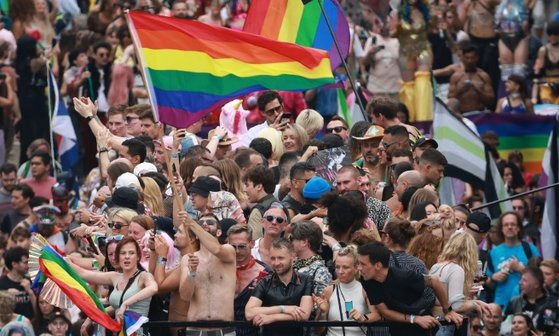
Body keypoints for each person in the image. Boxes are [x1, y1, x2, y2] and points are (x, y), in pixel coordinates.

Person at [357, 241, 463, 336]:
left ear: (378, 266)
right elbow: (385, 312)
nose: (359, 268)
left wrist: (447, 311)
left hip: (423, 318)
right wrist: (414, 319)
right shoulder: (367, 280)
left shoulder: (402, 276)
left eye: (363, 264)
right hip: (400, 323)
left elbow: (434, 280)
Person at [70, 237, 157, 335]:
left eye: (131, 253)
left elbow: (153, 288)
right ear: (118, 257)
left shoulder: (144, 276)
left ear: (138, 257)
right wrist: (62, 259)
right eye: (123, 253)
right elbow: (83, 274)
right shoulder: (115, 277)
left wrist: (126, 303)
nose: (127, 257)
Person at [179, 211, 236, 335]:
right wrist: (191, 273)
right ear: (197, 236)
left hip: (224, 328)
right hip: (195, 329)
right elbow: (185, 296)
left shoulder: (228, 250)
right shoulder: (188, 259)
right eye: (201, 223)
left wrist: (193, 224)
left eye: (210, 222)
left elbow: (216, 249)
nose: (204, 224)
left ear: (219, 232)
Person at [245, 238, 313, 336]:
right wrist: (283, 308)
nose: (276, 263)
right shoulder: (265, 282)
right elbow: (249, 313)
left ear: (292, 257)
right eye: (273, 258)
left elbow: (304, 314)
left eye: (281, 258)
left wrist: (272, 317)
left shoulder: (305, 280)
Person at [314, 246, 380, 336]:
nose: (340, 271)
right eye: (337, 267)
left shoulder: (364, 289)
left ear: (356, 268)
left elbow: (376, 315)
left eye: (345, 267)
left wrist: (363, 317)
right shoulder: (329, 290)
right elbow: (318, 330)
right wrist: (323, 312)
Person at [486, 211, 540, 310]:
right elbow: (488, 283)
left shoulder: (530, 248)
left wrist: (521, 269)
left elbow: (541, 278)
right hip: (501, 306)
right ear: (501, 229)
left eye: (513, 224)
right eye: (506, 225)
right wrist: (494, 278)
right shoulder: (494, 252)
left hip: (526, 306)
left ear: (518, 228)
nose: (509, 227)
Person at [391, 0, 434, 121]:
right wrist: (395, 26)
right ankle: (410, 120)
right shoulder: (398, 13)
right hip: (405, 52)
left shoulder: (426, 11)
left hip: (423, 49)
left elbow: (433, 29)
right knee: (408, 86)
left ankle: (424, 119)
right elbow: (391, 33)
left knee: (423, 79)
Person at [227, 225, 269, 336]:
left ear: (252, 243)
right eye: (233, 247)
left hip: (253, 330)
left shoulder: (265, 272)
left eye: (242, 246)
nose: (237, 251)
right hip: (224, 329)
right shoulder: (220, 270)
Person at [448, 43, 495, 113]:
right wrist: (460, 90)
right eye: (467, 58)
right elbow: (450, 98)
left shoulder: (484, 76)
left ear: (477, 58)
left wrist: (477, 90)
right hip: (462, 114)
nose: (469, 61)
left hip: (480, 113)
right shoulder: (456, 77)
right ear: (462, 58)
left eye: (472, 58)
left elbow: (491, 100)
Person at [291, 221, 332, 296]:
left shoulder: (320, 271)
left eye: (292, 238)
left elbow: (320, 303)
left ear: (304, 242)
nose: (291, 243)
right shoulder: (291, 264)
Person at [244, 166, 279, 240]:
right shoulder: (282, 206)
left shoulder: (257, 211)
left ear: (259, 186)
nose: (245, 189)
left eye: (247, 185)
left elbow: (256, 243)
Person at [0, 248, 35, 319]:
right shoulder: (2, 283)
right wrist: (7, 296)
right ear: (14, 264)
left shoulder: (30, 281)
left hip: (30, 324)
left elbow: (37, 310)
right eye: (25, 262)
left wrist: (30, 292)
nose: (28, 265)